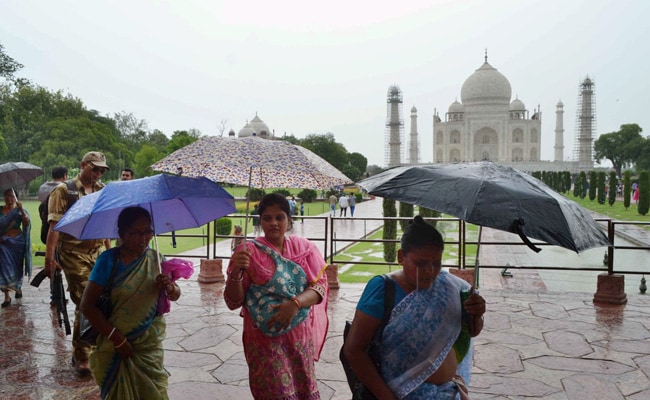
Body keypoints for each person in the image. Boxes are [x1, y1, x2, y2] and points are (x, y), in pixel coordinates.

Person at [343, 215, 486, 399]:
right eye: (421, 263)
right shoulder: (383, 289)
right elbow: (354, 350)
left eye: (436, 263)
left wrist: (477, 314)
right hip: (397, 393)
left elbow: (471, 331)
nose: (430, 270)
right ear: (401, 257)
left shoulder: (450, 288)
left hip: (448, 392)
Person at [224, 193, 329, 399]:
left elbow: (320, 288)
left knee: (303, 389)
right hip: (263, 340)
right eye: (267, 218)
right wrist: (236, 272)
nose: (273, 223)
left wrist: (295, 304)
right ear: (260, 221)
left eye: (279, 217)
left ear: (289, 220)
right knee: (275, 392)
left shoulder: (304, 249)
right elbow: (233, 302)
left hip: (298, 336)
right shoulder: (248, 252)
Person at [81, 206, 180, 399]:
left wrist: (169, 287)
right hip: (115, 346)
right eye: (135, 233)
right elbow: (87, 305)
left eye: (147, 232)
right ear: (122, 234)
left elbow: (175, 295)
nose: (143, 238)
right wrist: (117, 340)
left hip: (148, 346)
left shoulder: (156, 259)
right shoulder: (109, 261)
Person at [45, 151, 112, 375]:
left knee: (103, 299)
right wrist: (50, 258)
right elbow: (55, 227)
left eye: (102, 170)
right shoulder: (65, 191)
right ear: (83, 165)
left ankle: (94, 348)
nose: (98, 173)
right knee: (87, 300)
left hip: (98, 252)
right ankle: (82, 356)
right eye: (95, 168)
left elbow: (105, 225)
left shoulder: (103, 190)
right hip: (73, 252)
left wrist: (110, 252)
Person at [0, 189, 31, 307]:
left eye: (12, 196)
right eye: (6, 196)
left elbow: (26, 224)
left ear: (16, 198)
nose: (9, 199)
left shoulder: (19, 210)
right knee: (3, 268)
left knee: (17, 267)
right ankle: (7, 296)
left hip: (17, 244)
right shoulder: (0, 210)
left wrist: (22, 211)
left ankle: (18, 288)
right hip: (3, 243)